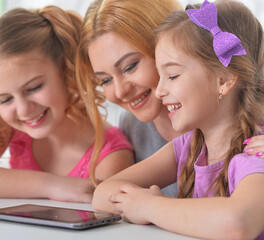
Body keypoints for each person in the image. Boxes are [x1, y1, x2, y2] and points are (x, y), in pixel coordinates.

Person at [0, 6, 134, 203]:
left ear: (66, 70)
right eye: (5, 99)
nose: (23, 109)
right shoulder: (10, 127)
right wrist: (51, 186)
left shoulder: (110, 156)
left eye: (34, 88)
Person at [92, 0, 264, 239]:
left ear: (224, 80)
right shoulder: (188, 145)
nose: (160, 90)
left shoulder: (255, 152)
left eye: (172, 75)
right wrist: (142, 204)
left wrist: (150, 207)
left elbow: (237, 224)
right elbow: (102, 194)